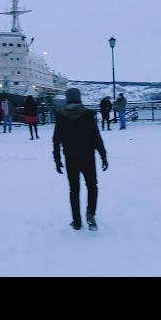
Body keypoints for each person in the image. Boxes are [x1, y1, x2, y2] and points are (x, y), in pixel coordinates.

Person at [53, 88, 108, 231]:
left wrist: (57, 159)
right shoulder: (88, 114)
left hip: (70, 158)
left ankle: (76, 221)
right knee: (92, 186)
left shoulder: (61, 116)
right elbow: (96, 137)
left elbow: (56, 140)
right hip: (87, 156)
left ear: (67, 99)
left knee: (74, 189)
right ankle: (90, 214)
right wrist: (103, 156)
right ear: (79, 98)